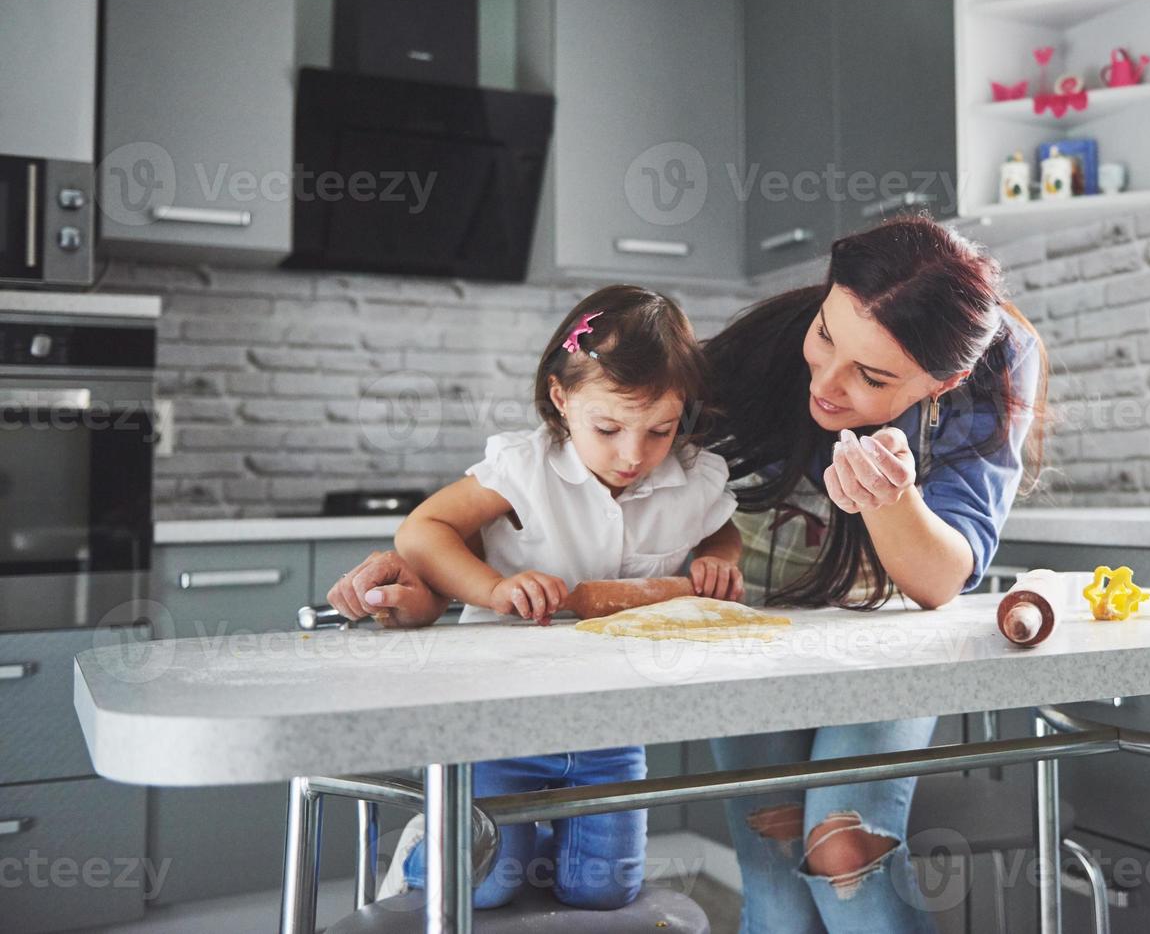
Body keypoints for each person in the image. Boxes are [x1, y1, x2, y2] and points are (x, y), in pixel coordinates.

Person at [328, 216, 1047, 932]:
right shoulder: (749, 361)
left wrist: (889, 498)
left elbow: (939, 579)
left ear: (943, 380)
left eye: (872, 376)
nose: (824, 383)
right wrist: (440, 571)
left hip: (880, 632)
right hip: (752, 628)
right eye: (826, 337)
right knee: (772, 857)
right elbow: (591, 485)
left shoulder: (992, 362)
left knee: (842, 849)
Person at [372, 284, 743, 911]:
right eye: (609, 427)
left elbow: (723, 531)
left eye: (659, 430)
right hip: (503, 721)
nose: (634, 454)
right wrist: (495, 588)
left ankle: (529, 854)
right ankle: (432, 850)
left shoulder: (691, 475)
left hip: (611, 728)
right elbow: (421, 531)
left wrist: (717, 563)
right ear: (561, 398)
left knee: (601, 888)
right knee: (484, 885)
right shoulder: (525, 468)